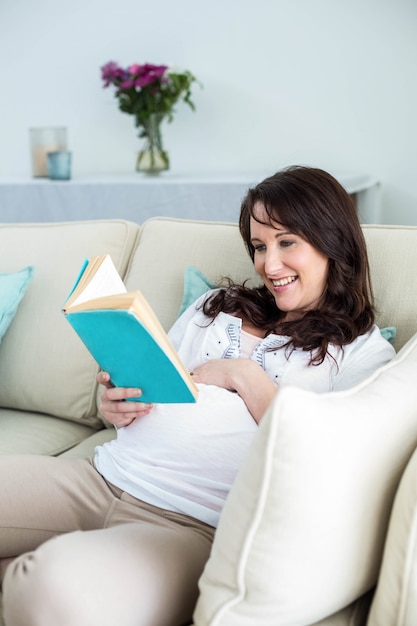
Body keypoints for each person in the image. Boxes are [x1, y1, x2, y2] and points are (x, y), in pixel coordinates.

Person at [0, 166, 395, 626]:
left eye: (287, 242)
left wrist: (246, 376)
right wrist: (115, 404)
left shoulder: (363, 352)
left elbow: (326, 462)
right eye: (260, 246)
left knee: (56, 592)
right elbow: (154, 382)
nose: (269, 265)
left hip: (190, 524)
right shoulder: (217, 306)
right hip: (99, 477)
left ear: (333, 241)